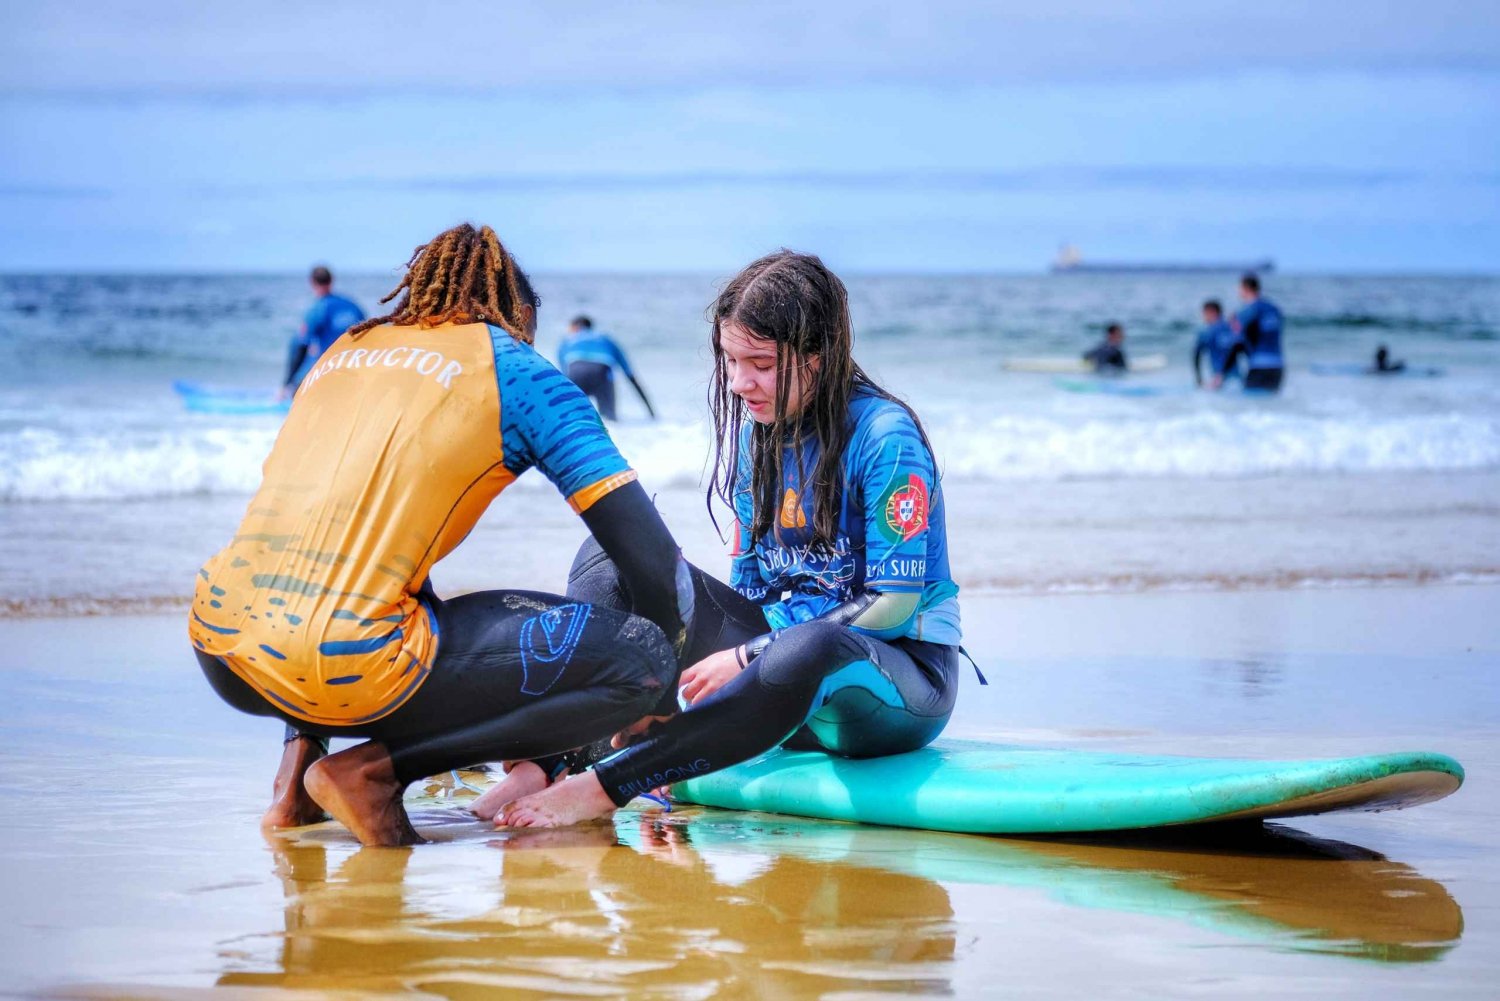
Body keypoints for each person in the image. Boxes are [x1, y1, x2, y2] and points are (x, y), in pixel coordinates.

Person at [188, 224, 694, 847]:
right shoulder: (517, 369)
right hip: (345, 669)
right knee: (640, 658)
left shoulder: (346, 350)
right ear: (520, 316)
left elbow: (319, 541)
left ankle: (291, 786)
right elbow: (651, 561)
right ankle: (373, 773)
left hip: (223, 646)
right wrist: (660, 699)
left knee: (345, 581)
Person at [489, 250, 964, 829]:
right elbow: (750, 592)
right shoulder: (756, 438)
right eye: (731, 361)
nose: (740, 383)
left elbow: (894, 606)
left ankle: (611, 783)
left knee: (809, 642)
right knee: (619, 557)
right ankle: (552, 759)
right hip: (780, 680)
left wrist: (747, 655)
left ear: (817, 356)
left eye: (760, 363)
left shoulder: (884, 437)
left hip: (889, 687)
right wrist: (670, 677)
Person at [279, 265, 366, 400]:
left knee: (296, 341)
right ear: (332, 280)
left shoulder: (318, 308)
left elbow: (301, 347)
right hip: (353, 367)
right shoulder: (352, 305)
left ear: (312, 283)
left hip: (328, 368)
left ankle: (285, 392)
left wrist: (287, 383)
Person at [558, 315, 656, 420]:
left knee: (573, 417)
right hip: (602, 372)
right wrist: (651, 412)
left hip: (576, 371)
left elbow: (564, 375)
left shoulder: (567, 341)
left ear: (575, 327)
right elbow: (629, 374)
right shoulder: (606, 339)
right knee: (609, 419)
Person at [1222, 274, 1285, 392]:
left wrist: (1222, 373)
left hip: (1259, 366)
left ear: (1245, 288)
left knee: (1251, 407)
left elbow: (1238, 344)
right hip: (1278, 366)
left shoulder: (1247, 311)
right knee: (1271, 407)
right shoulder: (1274, 309)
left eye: (1239, 289)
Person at [1193, 300, 1241, 388]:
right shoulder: (1231, 327)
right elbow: (1239, 348)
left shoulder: (1206, 332)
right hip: (1236, 378)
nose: (1203, 317)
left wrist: (1199, 378)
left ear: (1211, 312)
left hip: (1217, 378)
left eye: (1204, 314)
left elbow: (1197, 356)